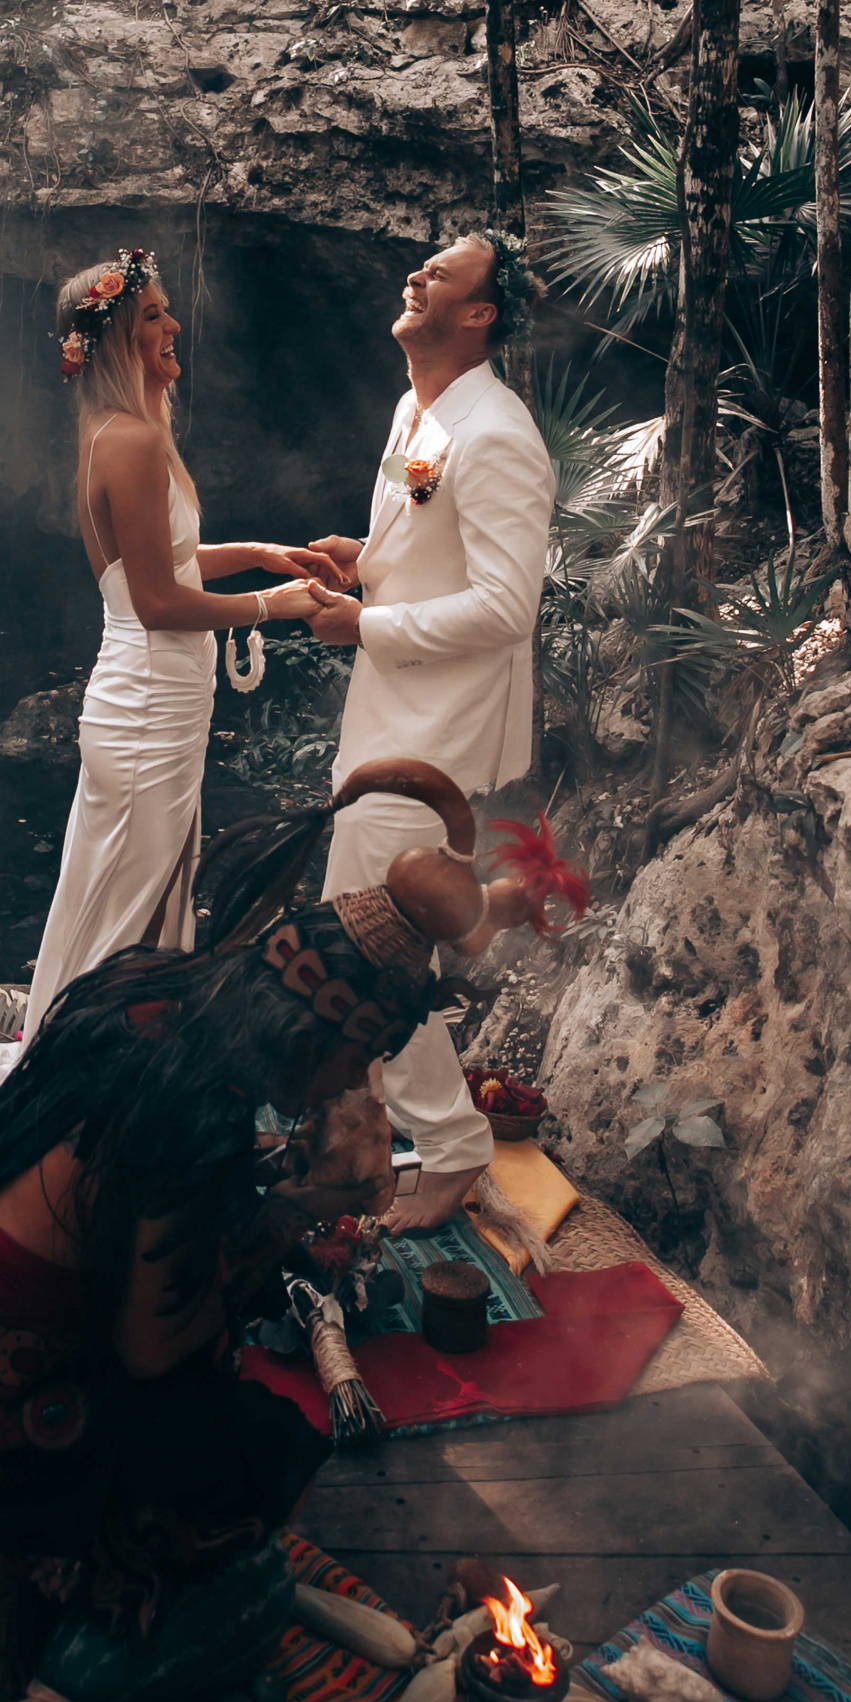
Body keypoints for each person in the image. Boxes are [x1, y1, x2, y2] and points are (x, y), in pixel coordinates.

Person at [0, 763, 480, 1681]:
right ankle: (6, 1574)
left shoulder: (156, 989)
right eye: (356, 1065)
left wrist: (270, 1193)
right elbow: (157, 1352)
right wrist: (299, 1214)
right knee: (243, 1442)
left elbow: (127, 1217)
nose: (344, 1090)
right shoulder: (193, 1111)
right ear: (328, 1037)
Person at [303, 230, 554, 1229]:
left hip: (437, 732)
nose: (414, 274)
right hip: (386, 717)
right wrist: (361, 563)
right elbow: (422, 538)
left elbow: (504, 606)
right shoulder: (422, 408)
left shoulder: (496, 435)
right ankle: (355, 1129)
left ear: (480, 314)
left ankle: (447, 1147)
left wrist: (364, 623)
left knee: (370, 942)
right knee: (352, 934)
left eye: (440, 273)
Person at [25, 246, 340, 1031]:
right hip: (144, 708)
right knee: (130, 902)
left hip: (153, 702)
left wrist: (260, 554)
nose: (174, 326)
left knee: (143, 887)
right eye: (154, 316)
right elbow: (161, 601)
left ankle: (117, 1061)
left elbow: (163, 562)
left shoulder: (123, 430)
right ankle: (88, 1069)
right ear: (117, 342)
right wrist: (276, 604)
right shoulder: (129, 440)